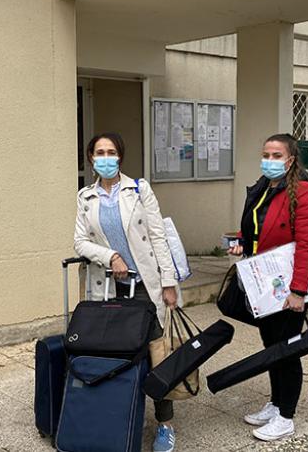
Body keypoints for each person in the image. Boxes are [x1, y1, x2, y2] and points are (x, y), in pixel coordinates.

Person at [73, 132, 180, 452]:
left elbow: (158, 237)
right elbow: (79, 242)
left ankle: (165, 425)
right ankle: (118, 414)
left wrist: (169, 283)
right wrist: (111, 256)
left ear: (120, 156)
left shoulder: (139, 190)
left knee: (157, 354)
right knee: (114, 355)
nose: (105, 157)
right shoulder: (85, 197)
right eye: (99, 152)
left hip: (145, 287)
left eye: (111, 152)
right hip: (108, 289)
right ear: (91, 158)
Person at [227, 133, 308, 442]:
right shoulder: (263, 188)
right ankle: (276, 403)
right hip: (262, 281)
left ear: (290, 160)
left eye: (276, 155)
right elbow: (252, 228)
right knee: (271, 346)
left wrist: (299, 292)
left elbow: (306, 244)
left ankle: (286, 416)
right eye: (266, 154)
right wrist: (241, 243)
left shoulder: (304, 193)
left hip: (288, 285)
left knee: (288, 350)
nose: (269, 160)